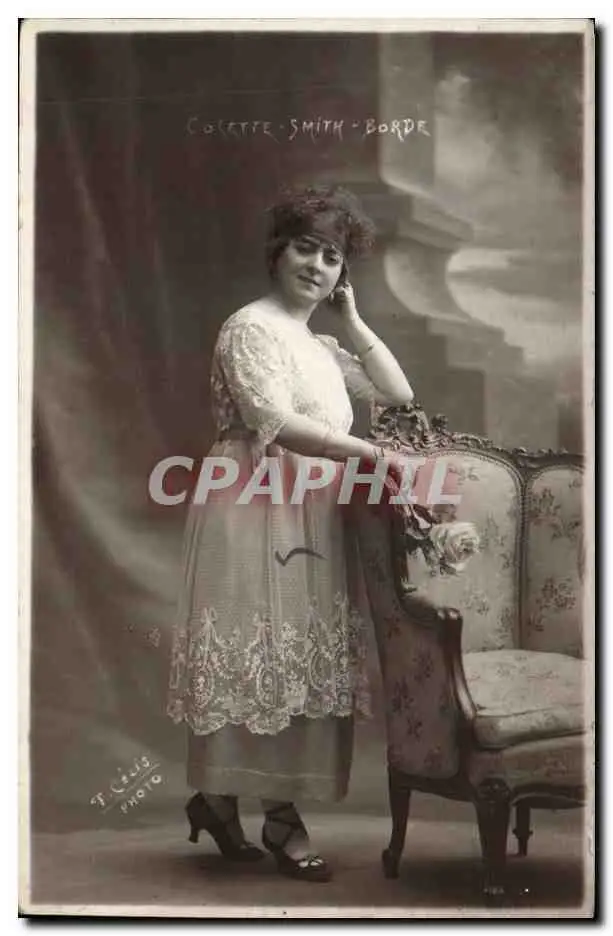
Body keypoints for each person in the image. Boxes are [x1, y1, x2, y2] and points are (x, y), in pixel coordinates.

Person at [166, 184, 415, 882]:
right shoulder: (249, 328)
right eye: (306, 249)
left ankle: (220, 802)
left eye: (332, 258)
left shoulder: (320, 343)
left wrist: (353, 320)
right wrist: (368, 455)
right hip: (255, 499)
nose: (317, 266)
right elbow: (274, 420)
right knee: (261, 652)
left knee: (296, 661)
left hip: (313, 507)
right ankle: (276, 818)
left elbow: (397, 393)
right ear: (278, 253)